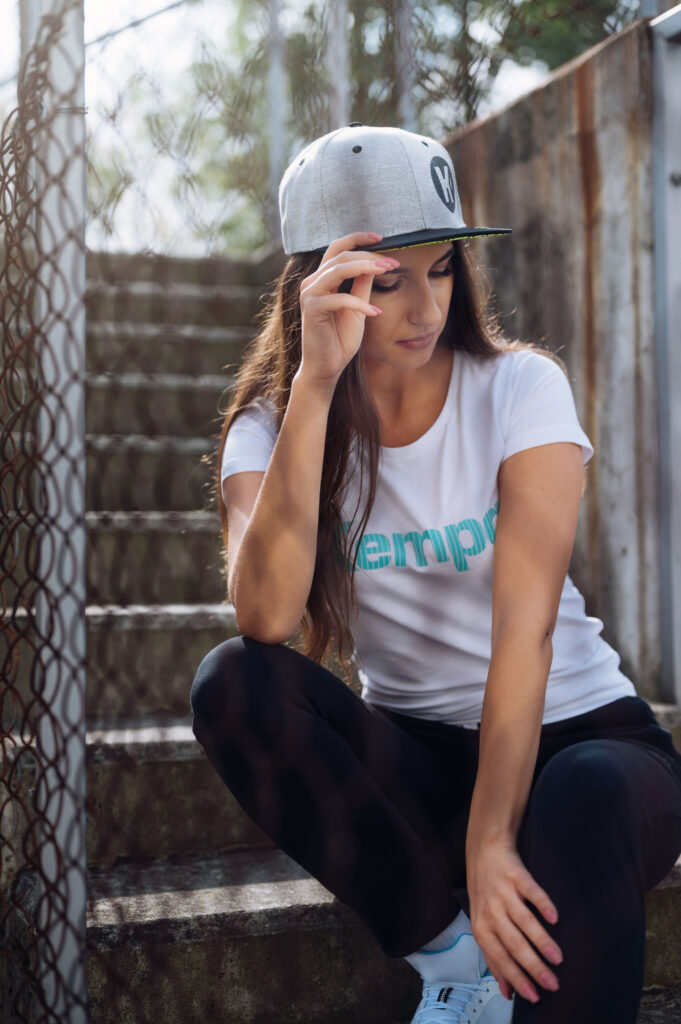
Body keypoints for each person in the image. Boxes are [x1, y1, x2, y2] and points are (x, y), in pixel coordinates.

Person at [190, 124, 681, 1024]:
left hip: (581, 748)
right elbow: (264, 617)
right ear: (319, 285)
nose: (424, 307)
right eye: (387, 280)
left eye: (442, 268)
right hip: (421, 768)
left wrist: (493, 840)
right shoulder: (267, 428)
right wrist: (314, 388)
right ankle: (451, 960)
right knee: (231, 681)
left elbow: (524, 631)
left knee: (584, 791)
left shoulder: (519, 389)